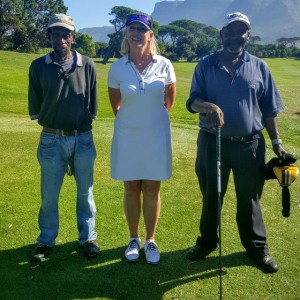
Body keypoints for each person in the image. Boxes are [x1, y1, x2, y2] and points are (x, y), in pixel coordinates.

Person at [186, 12, 286, 273]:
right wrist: (208, 106)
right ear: (222, 34)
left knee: (250, 199)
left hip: (250, 146)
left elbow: (269, 110)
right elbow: (193, 101)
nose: (235, 35)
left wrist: (277, 143)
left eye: (240, 31)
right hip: (212, 142)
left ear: (247, 36)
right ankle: (207, 243)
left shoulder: (260, 67)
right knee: (211, 196)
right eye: (230, 30)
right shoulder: (205, 65)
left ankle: (257, 248)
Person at [28, 13, 99, 261]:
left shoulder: (87, 63)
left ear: (73, 37)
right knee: (49, 195)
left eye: (65, 34)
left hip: (83, 138)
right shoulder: (38, 66)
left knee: (85, 192)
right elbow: (36, 105)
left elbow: (92, 102)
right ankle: (45, 241)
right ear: (49, 37)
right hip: (51, 139)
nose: (61, 39)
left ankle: (88, 237)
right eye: (55, 34)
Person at [107, 13, 176, 264]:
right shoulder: (117, 67)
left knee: (151, 187)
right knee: (131, 187)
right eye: (132, 28)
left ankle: (150, 240)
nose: (136, 33)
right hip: (128, 136)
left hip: (156, 135)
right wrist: (133, 121)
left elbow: (169, 101)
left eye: (142, 29)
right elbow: (116, 104)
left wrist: (150, 120)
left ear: (150, 34)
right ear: (126, 33)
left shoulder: (165, 64)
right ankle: (133, 239)